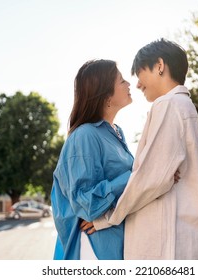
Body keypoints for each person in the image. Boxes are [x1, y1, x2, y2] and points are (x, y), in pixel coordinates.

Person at [88, 38, 198, 260]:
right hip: (181, 239)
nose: (137, 84)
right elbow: (161, 173)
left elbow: (151, 178)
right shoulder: (184, 106)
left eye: (139, 74)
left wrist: (106, 218)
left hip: (165, 244)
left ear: (160, 66)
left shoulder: (168, 104)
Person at [50, 59, 134, 260]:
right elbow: (87, 204)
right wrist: (135, 177)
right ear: (106, 94)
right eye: (122, 81)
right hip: (93, 248)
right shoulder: (85, 135)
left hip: (116, 243)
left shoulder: (117, 133)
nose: (129, 84)